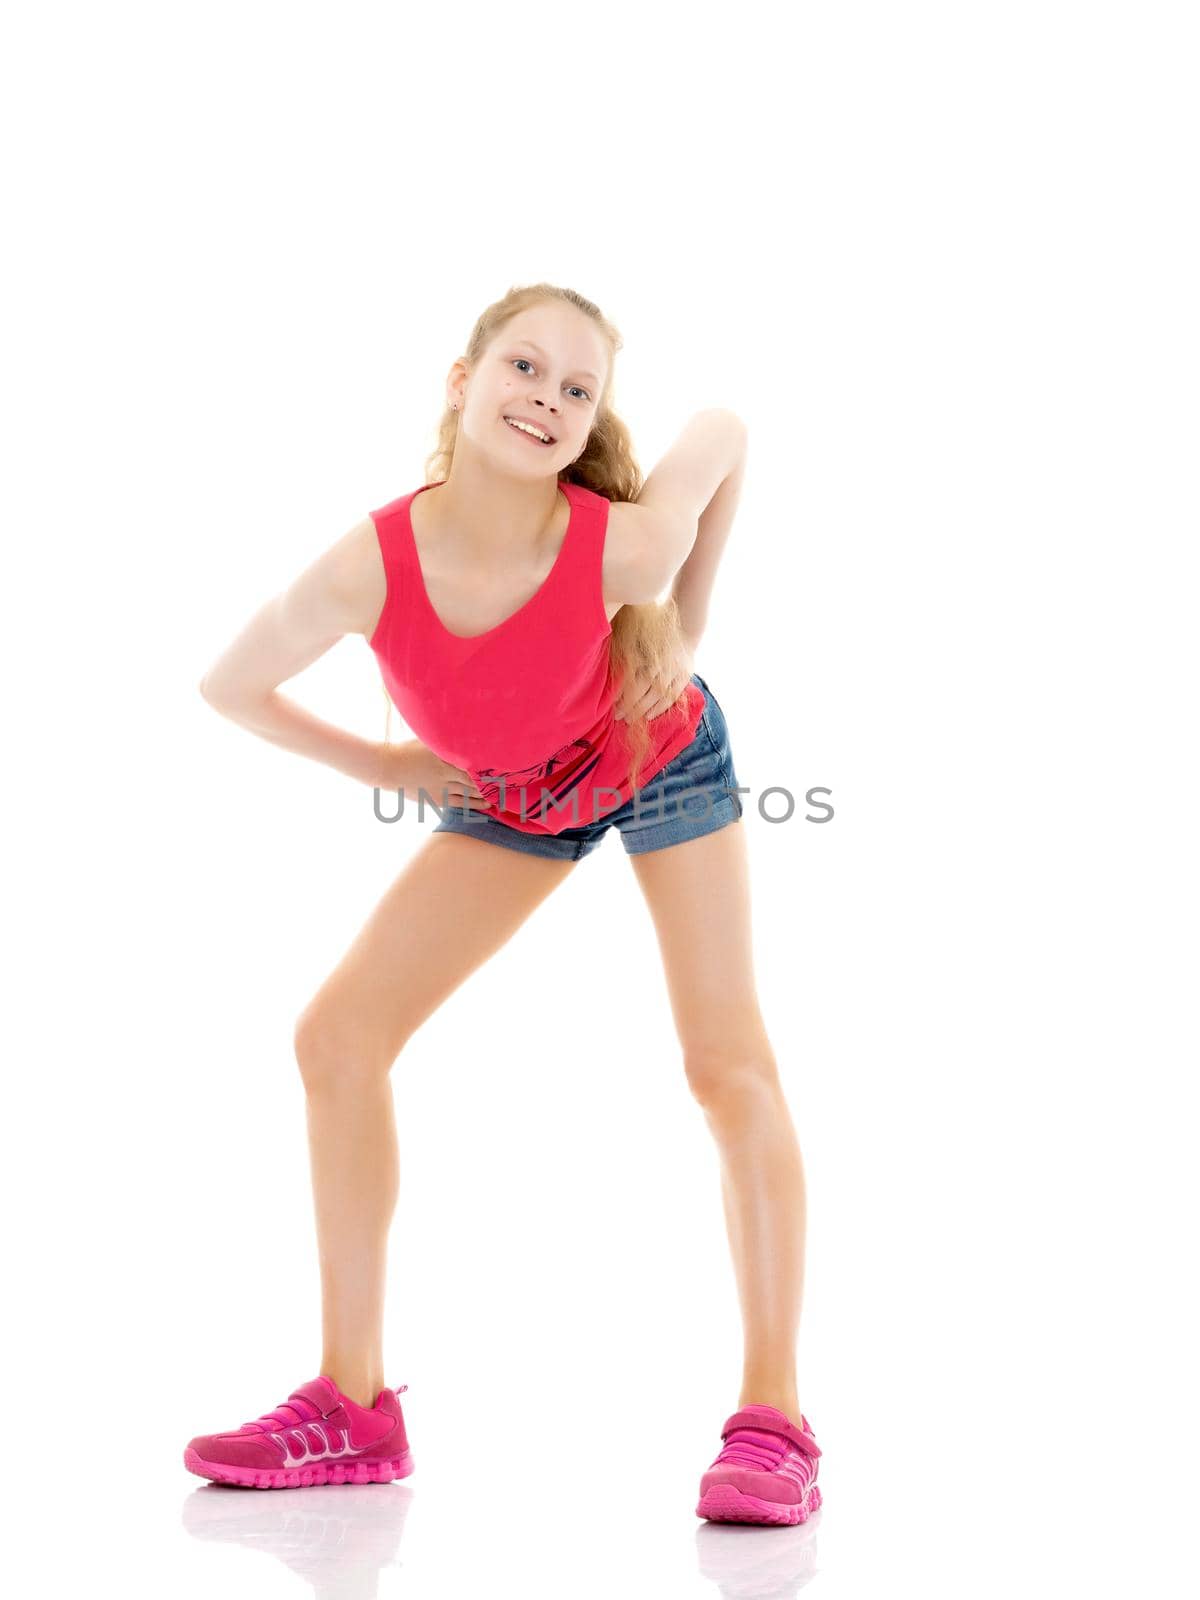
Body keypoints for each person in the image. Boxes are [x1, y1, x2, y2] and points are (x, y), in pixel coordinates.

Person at [183, 283, 822, 1525]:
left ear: (589, 426)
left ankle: (775, 1420)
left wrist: (682, 626)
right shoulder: (372, 561)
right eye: (524, 367)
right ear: (461, 380)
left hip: (658, 753)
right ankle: (353, 1406)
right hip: (512, 796)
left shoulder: (621, 545)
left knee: (724, 1063)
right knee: (339, 1035)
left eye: (577, 389)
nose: (547, 398)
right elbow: (231, 685)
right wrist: (389, 769)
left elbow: (726, 427)